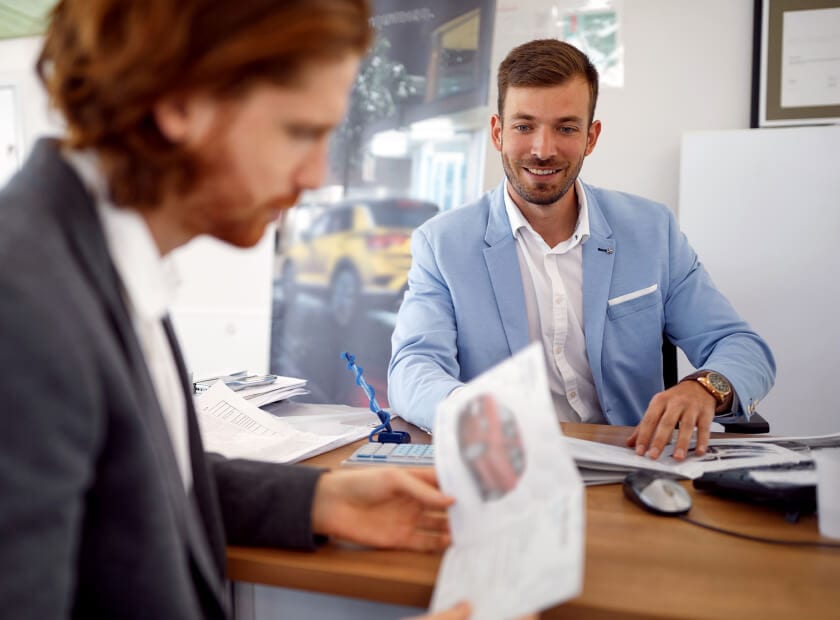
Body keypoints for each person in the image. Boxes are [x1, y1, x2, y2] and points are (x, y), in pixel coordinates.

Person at [0, 1, 470, 618]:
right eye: (300, 132)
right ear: (177, 102)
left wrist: (322, 502)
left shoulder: (95, 254)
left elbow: (147, 485)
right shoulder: (24, 307)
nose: (316, 174)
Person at [388, 39, 775, 462]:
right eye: (524, 126)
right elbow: (413, 368)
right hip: (510, 465)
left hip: (634, 463)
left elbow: (740, 345)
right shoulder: (442, 243)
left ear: (591, 137)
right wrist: (472, 414)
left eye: (566, 128)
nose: (543, 149)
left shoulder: (652, 230)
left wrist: (703, 388)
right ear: (498, 132)